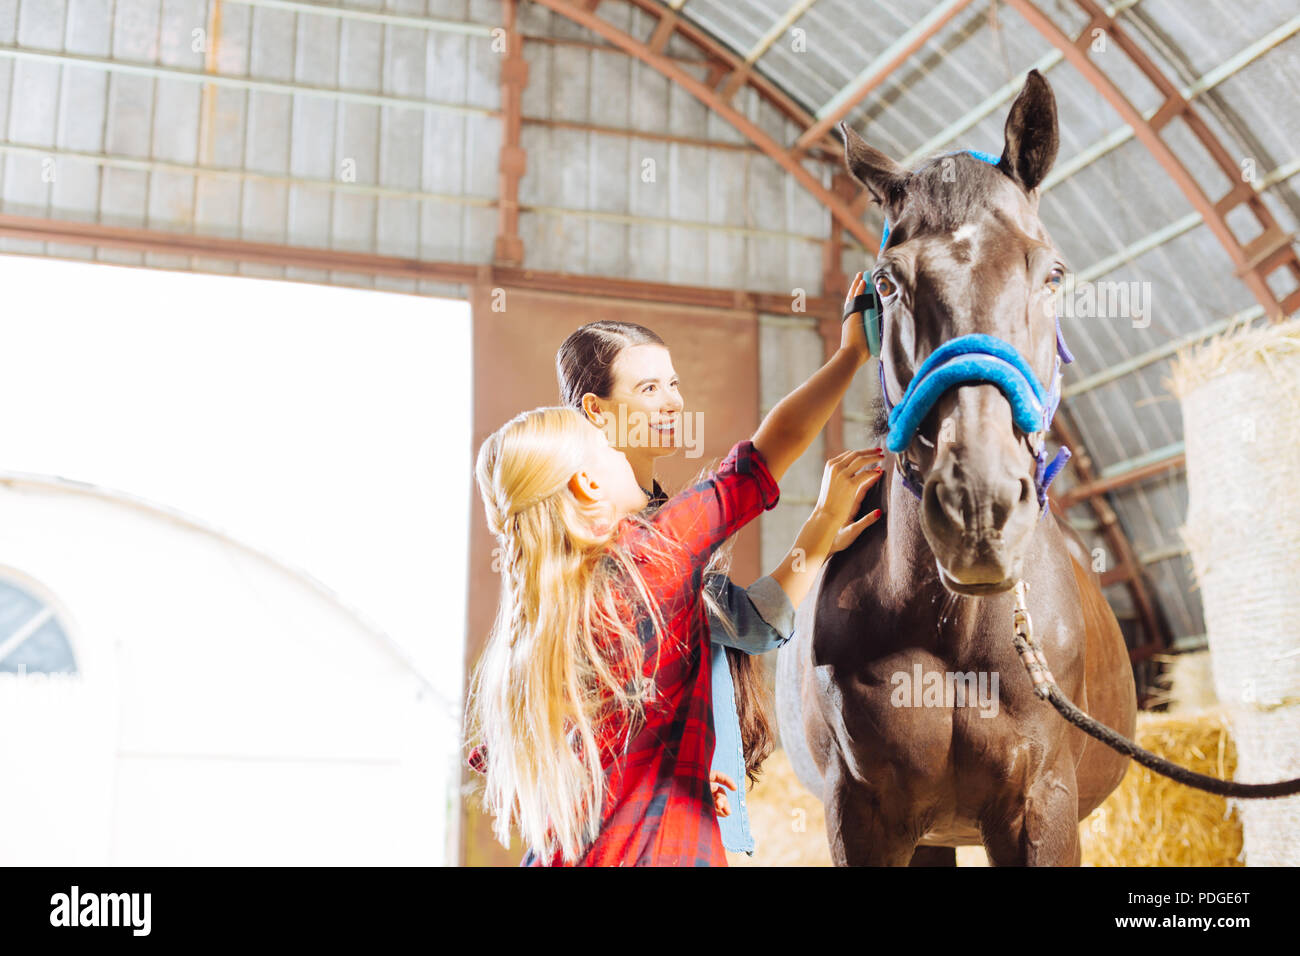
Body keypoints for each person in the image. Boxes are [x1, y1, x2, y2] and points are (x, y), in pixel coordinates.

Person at [467, 276, 881, 865]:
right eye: (649, 388)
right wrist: (850, 355)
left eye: (674, 385)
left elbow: (742, 625)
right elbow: (764, 455)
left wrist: (682, 761)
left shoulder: (538, 622)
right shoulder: (647, 559)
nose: (673, 405)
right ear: (586, 478)